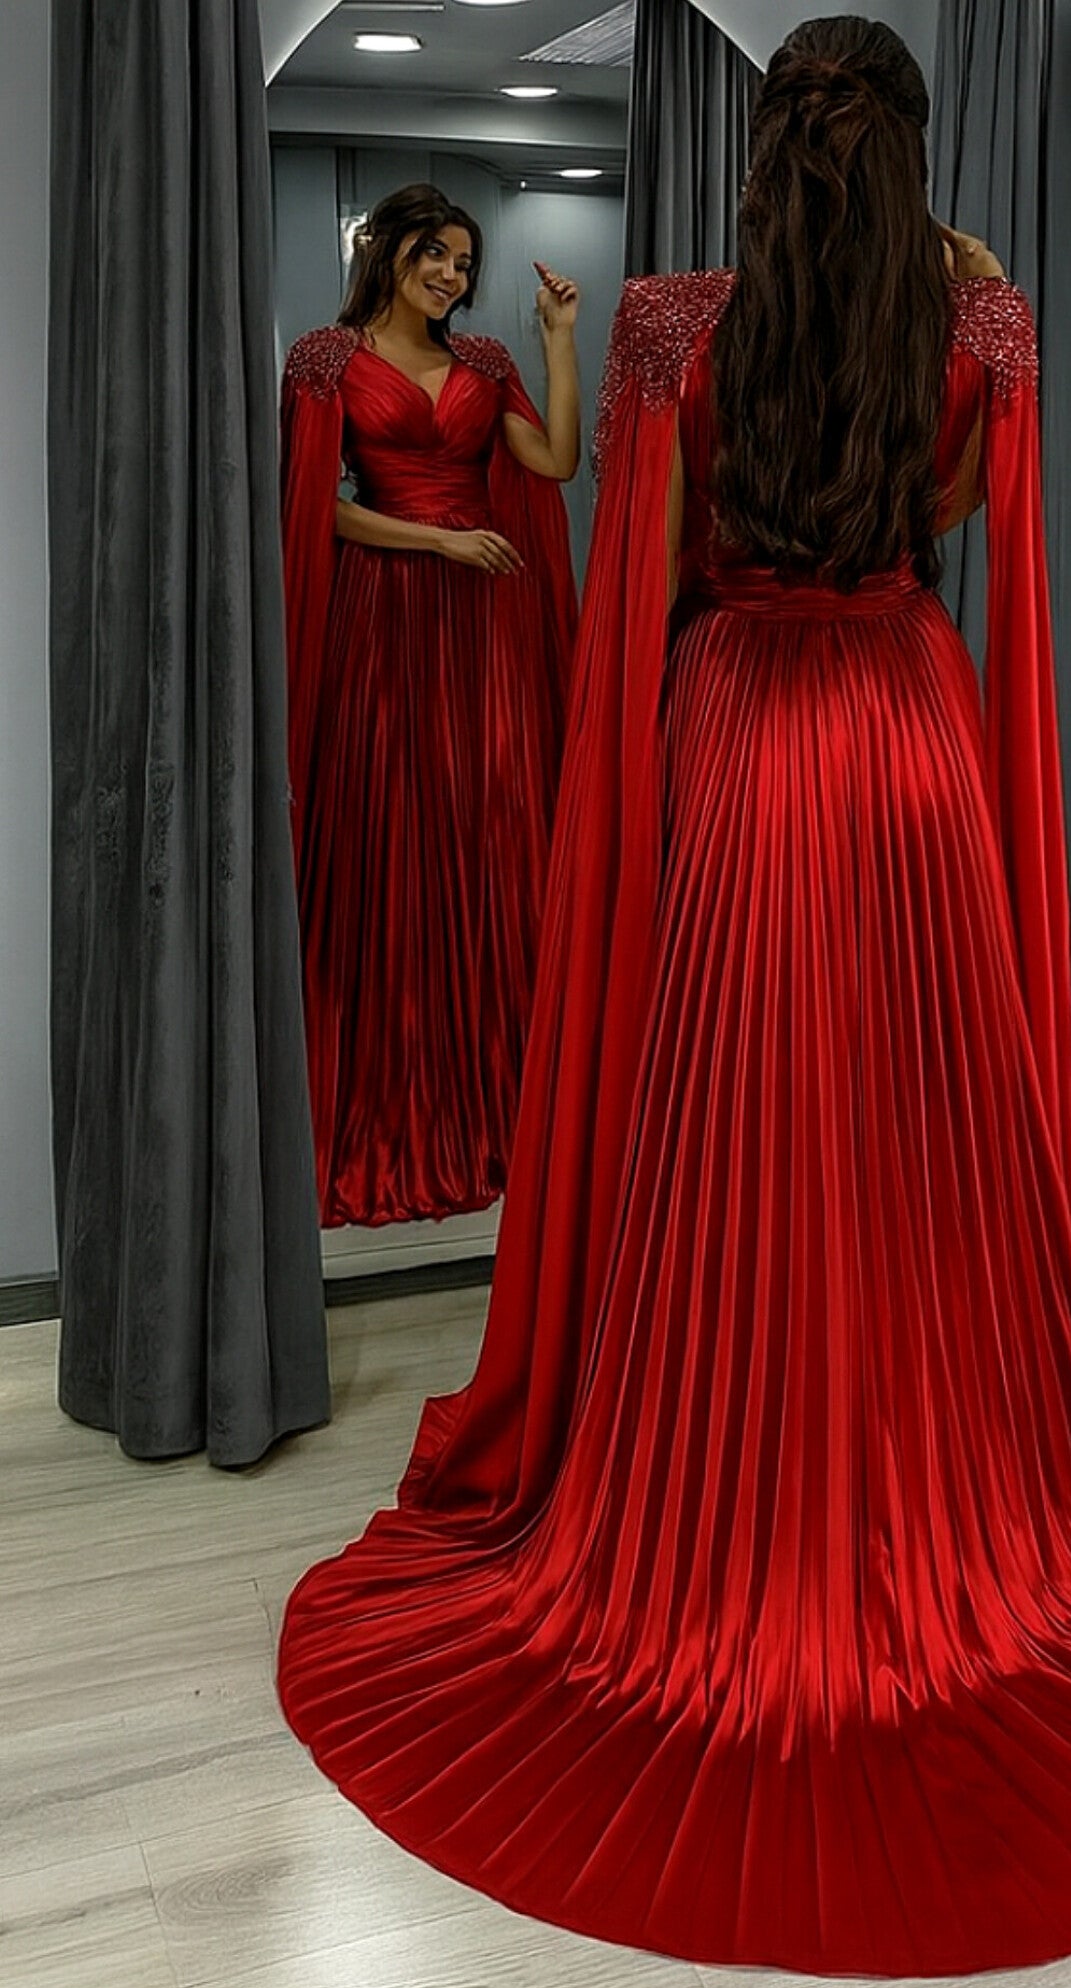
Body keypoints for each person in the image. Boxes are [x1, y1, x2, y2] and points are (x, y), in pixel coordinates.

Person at [277, 21, 1071, 1974]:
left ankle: (716, 1472)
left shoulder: (672, 328)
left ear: (762, 157)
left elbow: (648, 584)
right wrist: (966, 280)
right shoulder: (978, 333)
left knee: (734, 1127)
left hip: (735, 737)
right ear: (911, 164)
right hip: (910, 737)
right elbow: (958, 523)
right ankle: (931, 1458)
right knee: (911, 1133)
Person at [279, 184, 581, 1227]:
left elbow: (555, 462)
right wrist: (440, 540)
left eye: (463, 261)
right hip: (384, 618)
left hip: (480, 627)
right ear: (388, 251)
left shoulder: (487, 364)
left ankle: (502, 1093)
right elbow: (316, 507)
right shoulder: (324, 360)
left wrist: (558, 341)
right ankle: (388, 1090)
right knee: (388, 833)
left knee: (485, 829)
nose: (452, 275)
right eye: (435, 255)